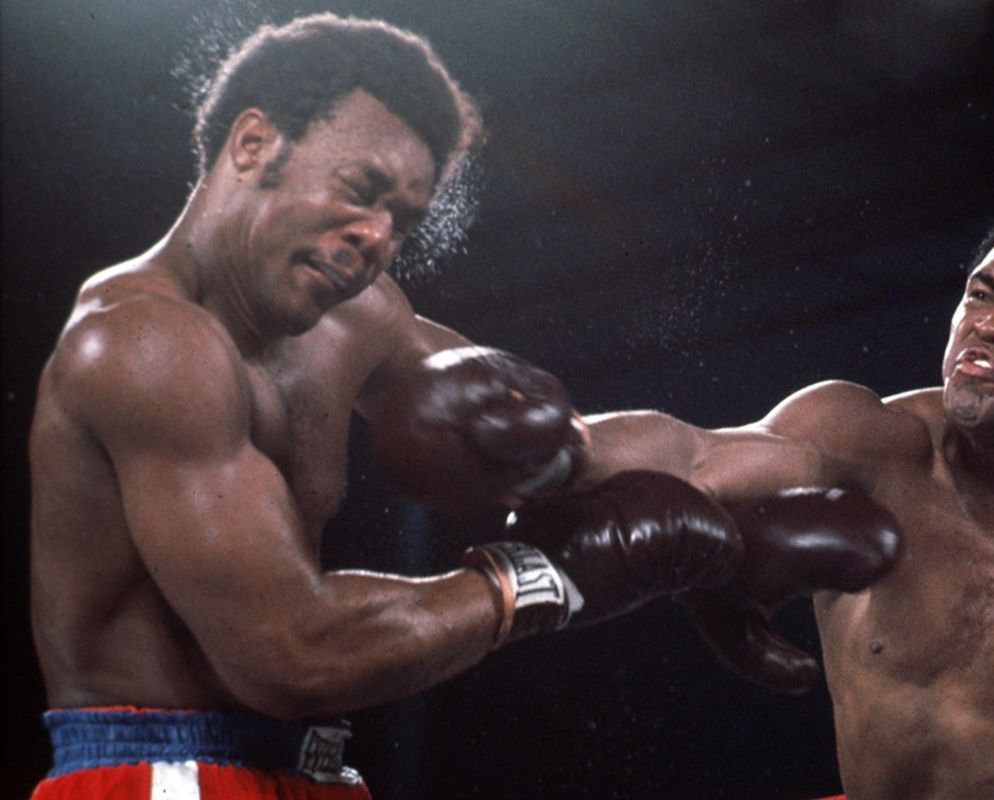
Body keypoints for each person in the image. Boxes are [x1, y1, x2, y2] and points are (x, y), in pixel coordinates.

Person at [26, 15, 899, 798]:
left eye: (403, 221)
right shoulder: (143, 344)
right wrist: (542, 577)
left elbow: (567, 447)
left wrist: (739, 532)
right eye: (360, 190)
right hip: (162, 773)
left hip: (316, 771)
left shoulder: (355, 318)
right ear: (254, 143)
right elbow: (290, 654)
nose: (376, 238)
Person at [576, 180, 994, 799]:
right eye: (980, 291)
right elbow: (694, 454)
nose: (989, 324)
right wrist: (557, 445)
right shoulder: (863, 445)